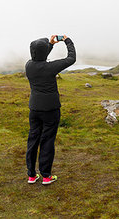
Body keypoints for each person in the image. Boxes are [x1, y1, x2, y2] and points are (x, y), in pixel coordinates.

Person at [25, 34, 76, 185]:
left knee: (33, 140)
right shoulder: (50, 67)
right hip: (51, 110)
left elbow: (39, 56)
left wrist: (51, 45)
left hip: (34, 109)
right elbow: (71, 58)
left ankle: (31, 175)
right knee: (47, 141)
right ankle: (46, 176)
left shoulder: (28, 65)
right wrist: (67, 40)